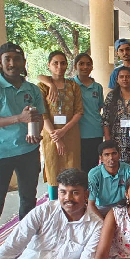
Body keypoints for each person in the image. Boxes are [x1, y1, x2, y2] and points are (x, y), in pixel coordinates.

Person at [0, 42, 45, 259]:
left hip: (28, 151)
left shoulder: (32, 90)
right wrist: (18, 118)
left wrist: (36, 132)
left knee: (28, 199)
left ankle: (26, 243)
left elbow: (39, 118)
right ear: (0, 62)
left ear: (24, 62)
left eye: (17, 59)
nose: (12, 63)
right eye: (7, 59)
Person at [38, 53, 104, 173]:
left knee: (85, 167)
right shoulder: (68, 84)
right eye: (81, 64)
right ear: (75, 66)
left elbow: (95, 108)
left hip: (88, 132)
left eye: (88, 64)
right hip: (68, 133)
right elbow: (40, 77)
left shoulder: (88, 86)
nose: (85, 67)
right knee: (57, 168)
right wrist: (51, 85)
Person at [39, 51, 83, 200]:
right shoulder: (43, 87)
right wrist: (56, 137)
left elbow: (79, 111)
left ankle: (72, 203)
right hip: (51, 135)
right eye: (55, 63)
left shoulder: (73, 86)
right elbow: (42, 113)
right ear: (48, 65)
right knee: (53, 168)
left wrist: (63, 131)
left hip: (70, 134)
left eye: (63, 63)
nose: (59, 66)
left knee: (72, 169)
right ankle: (54, 204)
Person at [102, 66, 130, 171]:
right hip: (116, 139)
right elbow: (105, 119)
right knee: (118, 167)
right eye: (121, 77)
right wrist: (108, 140)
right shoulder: (111, 96)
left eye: (127, 76)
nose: (125, 79)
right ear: (117, 80)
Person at [87, 140, 130, 218]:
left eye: (114, 153)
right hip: (100, 209)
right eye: (106, 155)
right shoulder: (94, 174)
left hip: (122, 207)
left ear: (119, 155)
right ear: (101, 158)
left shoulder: (128, 170)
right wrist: (104, 222)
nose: (111, 157)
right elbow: (91, 205)